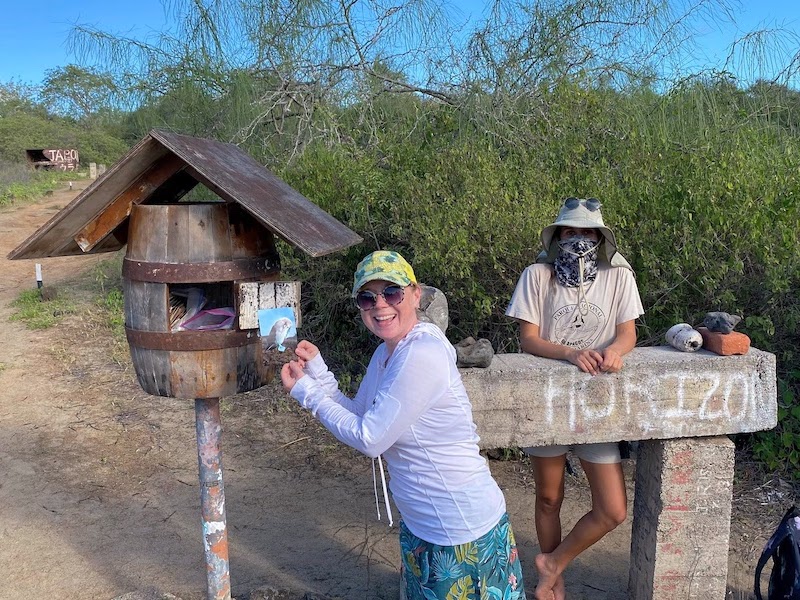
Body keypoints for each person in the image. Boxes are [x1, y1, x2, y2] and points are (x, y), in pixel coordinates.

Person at [281, 250, 527, 600]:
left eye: (391, 293)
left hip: (461, 531)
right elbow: (360, 412)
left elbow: (370, 438)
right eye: (367, 297)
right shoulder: (387, 353)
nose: (380, 305)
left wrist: (307, 393)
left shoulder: (422, 353)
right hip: (421, 527)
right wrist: (318, 372)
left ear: (414, 294)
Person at [505, 197, 644, 600]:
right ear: (557, 236)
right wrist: (569, 353)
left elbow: (628, 332)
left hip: (596, 401)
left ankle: (554, 561)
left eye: (587, 232)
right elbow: (528, 339)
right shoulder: (537, 275)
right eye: (570, 231)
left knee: (613, 509)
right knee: (549, 496)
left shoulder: (619, 276)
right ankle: (552, 579)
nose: (579, 239)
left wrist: (616, 351)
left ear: (599, 237)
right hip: (547, 398)